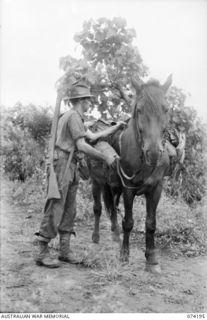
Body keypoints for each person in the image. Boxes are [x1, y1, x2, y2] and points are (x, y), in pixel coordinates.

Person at [35, 81, 124, 268]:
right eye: (88, 100)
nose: (90, 103)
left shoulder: (74, 117)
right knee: (56, 206)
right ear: (81, 100)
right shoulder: (74, 116)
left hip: (71, 165)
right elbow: (83, 145)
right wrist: (105, 157)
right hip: (63, 164)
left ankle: (64, 252)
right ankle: (42, 252)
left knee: (70, 208)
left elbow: (92, 137)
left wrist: (116, 127)